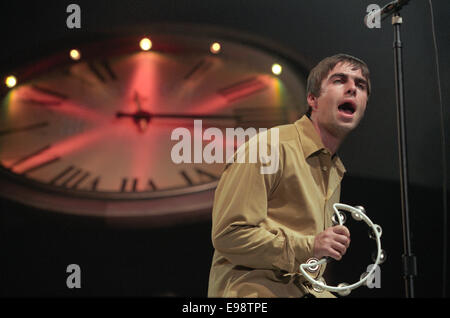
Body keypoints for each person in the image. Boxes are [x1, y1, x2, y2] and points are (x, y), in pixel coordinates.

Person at [208, 54, 371, 298]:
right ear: (312, 99)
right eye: (340, 81)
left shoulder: (334, 169)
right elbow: (230, 235)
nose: (352, 89)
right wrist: (311, 246)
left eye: (361, 85)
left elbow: (307, 267)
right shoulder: (269, 148)